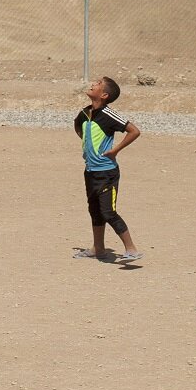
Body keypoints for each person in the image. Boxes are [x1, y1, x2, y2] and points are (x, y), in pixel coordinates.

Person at [72, 74, 142, 268]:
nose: (93, 84)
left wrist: (115, 150)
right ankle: (98, 249)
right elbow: (78, 126)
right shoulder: (85, 113)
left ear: (103, 95)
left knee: (108, 211)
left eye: (98, 84)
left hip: (106, 173)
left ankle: (131, 250)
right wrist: (87, 147)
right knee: (94, 210)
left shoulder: (109, 114)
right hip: (90, 171)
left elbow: (134, 131)